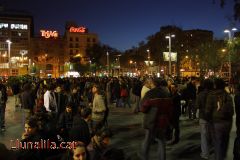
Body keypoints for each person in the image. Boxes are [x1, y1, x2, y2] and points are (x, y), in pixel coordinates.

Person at [140, 78, 173, 160]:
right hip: (163, 121)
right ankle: (162, 158)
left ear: (153, 84)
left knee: (147, 140)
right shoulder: (166, 93)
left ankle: (144, 156)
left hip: (151, 120)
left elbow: (143, 108)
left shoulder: (149, 94)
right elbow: (170, 109)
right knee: (162, 141)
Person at [205, 78, 234, 160]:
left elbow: (207, 111)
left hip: (216, 122)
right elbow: (231, 111)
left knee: (217, 144)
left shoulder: (211, 95)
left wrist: (209, 120)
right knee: (225, 142)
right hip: (227, 123)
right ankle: (223, 156)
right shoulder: (227, 95)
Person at [196, 79, 214, 159]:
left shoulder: (200, 94)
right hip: (213, 117)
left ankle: (205, 154)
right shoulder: (215, 94)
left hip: (203, 117)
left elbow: (197, 106)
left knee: (204, 136)